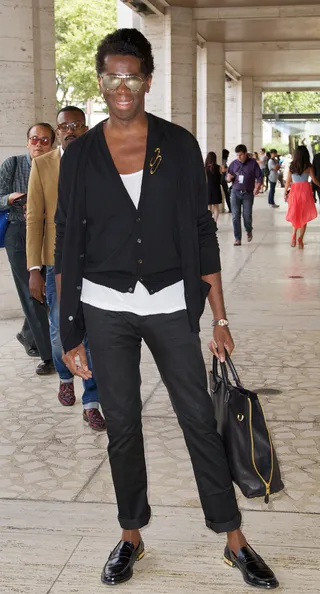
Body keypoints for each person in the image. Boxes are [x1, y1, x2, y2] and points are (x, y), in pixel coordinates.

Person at [55, 28, 278, 590]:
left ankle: (233, 539)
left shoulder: (176, 146)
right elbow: (66, 244)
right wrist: (70, 331)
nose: (122, 86)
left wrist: (220, 319)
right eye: (112, 76)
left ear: (147, 80)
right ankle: (131, 534)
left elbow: (203, 234)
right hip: (104, 307)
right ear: (101, 81)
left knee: (198, 420)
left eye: (132, 75)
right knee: (123, 426)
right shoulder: (79, 155)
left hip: (169, 305)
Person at [26, 107, 105, 431]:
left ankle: (92, 402)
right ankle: (63, 374)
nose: (69, 130)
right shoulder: (43, 165)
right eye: (63, 126)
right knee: (60, 332)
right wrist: (34, 268)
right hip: (56, 262)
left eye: (75, 125)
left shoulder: (100, 160)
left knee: (94, 334)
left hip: (96, 261)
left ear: (85, 128)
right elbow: (34, 217)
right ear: (57, 131)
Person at [0, 124, 55, 375]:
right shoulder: (12, 165)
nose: (39, 144)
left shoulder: (55, 166)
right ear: (27, 142)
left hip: (48, 236)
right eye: (35, 139)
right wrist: (10, 198)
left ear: (52, 144)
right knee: (32, 293)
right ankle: (49, 357)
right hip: (19, 235)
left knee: (46, 291)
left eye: (45, 140)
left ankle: (26, 334)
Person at [227, 144, 263, 246]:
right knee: (235, 216)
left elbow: (259, 177)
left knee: (247, 215)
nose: (239, 157)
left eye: (241, 155)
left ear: (245, 154)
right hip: (235, 192)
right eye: (237, 155)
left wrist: (257, 187)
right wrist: (228, 178)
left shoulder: (253, 164)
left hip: (248, 193)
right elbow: (227, 177)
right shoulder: (233, 164)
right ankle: (237, 238)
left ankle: (248, 230)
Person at [284, 145, 319, 248]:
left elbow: (288, 182)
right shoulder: (308, 166)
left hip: (294, 192)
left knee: (295, 214)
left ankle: (293, 236)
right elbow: (314, 180)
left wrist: (285, 192)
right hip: (305, 192)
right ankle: (300, 240)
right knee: (304, 216)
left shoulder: (292, 166)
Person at [205, 152, 222, 223]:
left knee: (209, 207)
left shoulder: (204, 168)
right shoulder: (219, 167)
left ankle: (209, 223)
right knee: (216, 207)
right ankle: (215, 222)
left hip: (207, 189)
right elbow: (221, 179)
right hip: (216, 189)